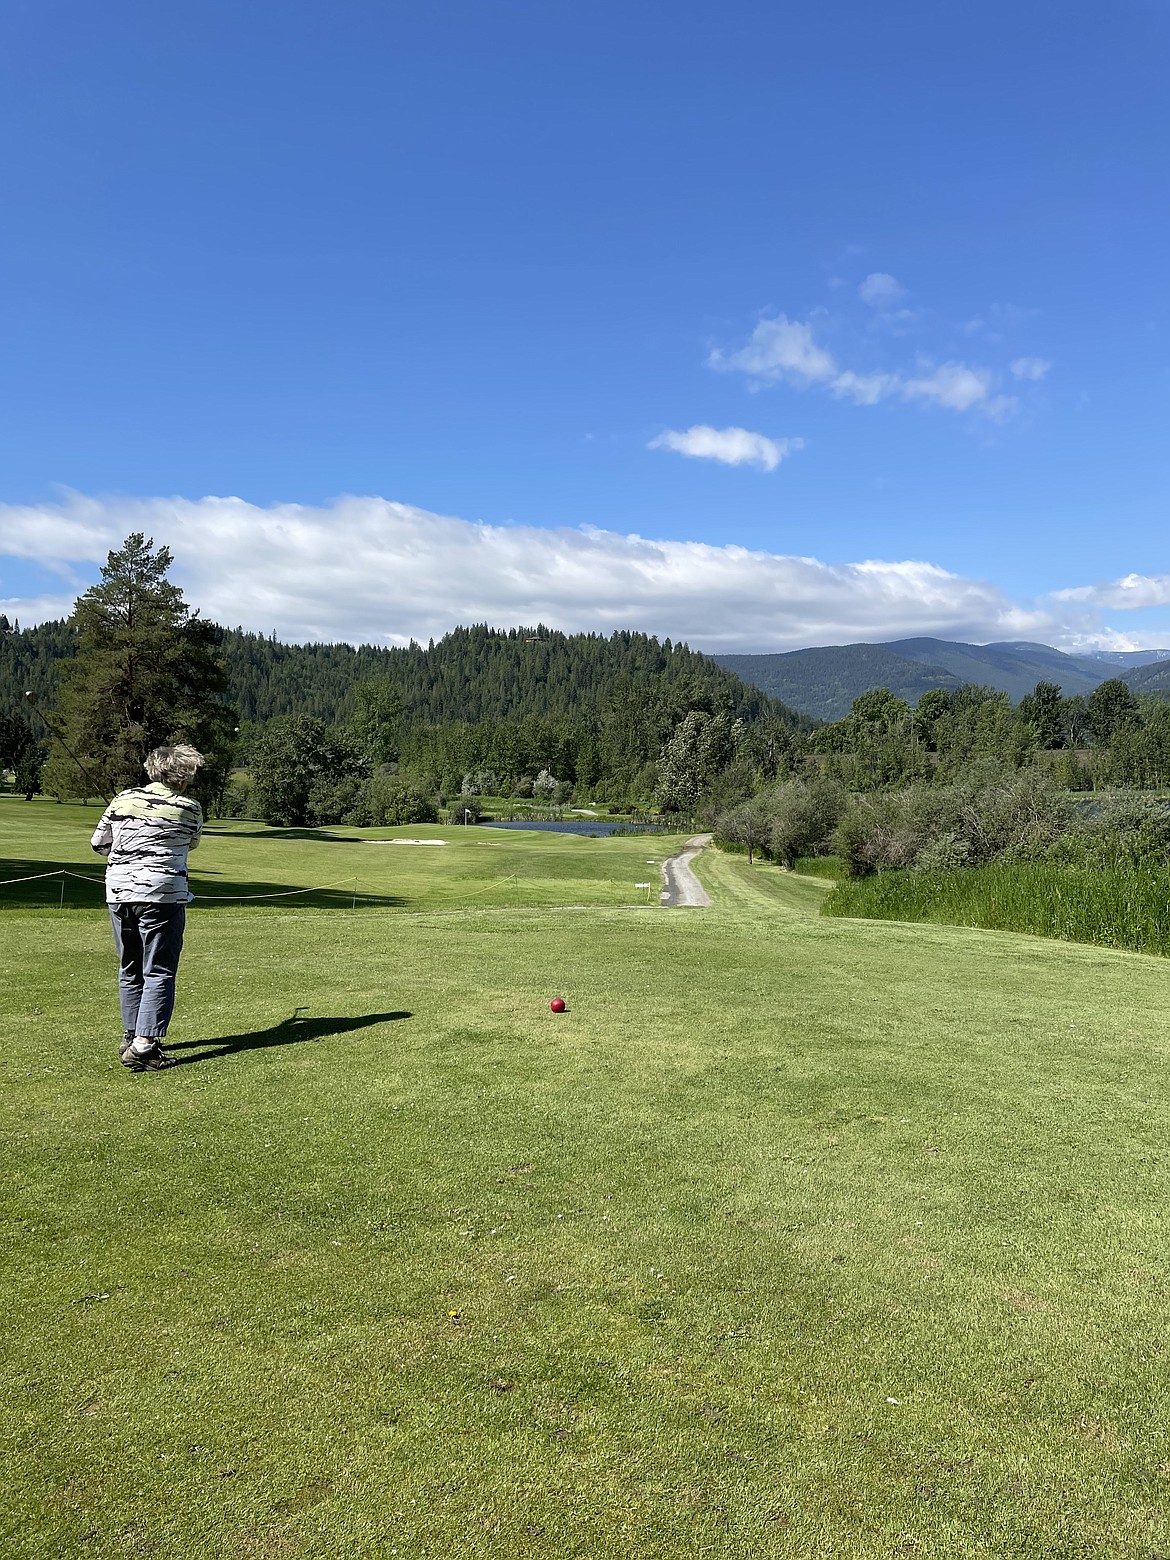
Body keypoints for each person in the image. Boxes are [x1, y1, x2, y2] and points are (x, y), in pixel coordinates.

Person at [90, 743, 205, 1072]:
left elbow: (99, 843)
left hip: (118, 893)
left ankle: (132, 1035)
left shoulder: (123, 799)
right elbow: (190, 843)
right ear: (182, 776)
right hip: (161, 896)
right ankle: (143, 1045)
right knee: (159, 969)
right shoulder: (190, 808)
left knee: (130, 965)